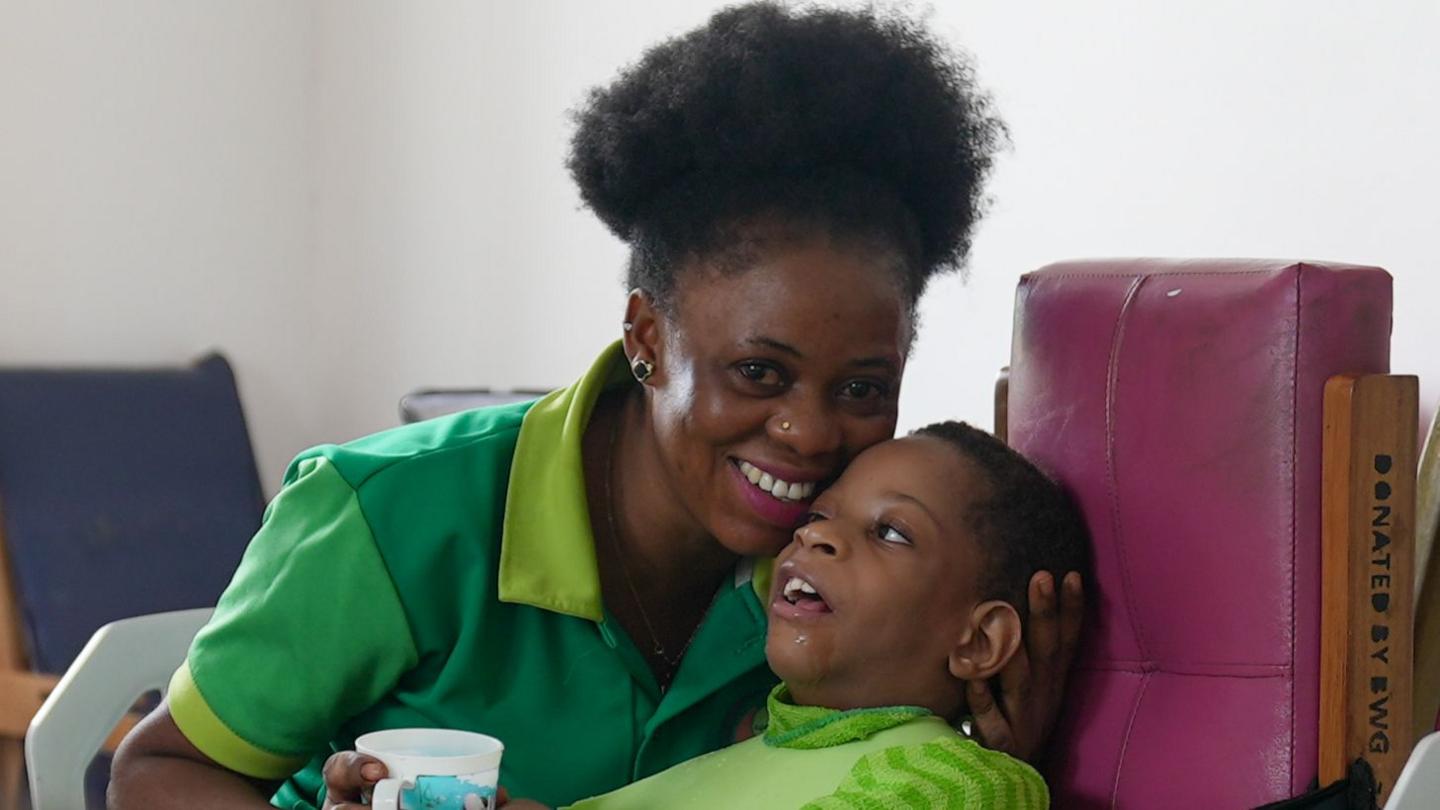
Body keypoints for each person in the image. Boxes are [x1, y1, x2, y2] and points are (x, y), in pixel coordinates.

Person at [109, 5, 1083, 809]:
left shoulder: (824, 578)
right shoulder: (395, 514)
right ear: (647, 339)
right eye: (758, 373)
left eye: (863, 387)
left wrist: (995, 744)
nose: (810, 433)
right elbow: (158, 769)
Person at [502, 422, 1088, 810]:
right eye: (817, 515)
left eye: (890, 532)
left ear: (981, 640)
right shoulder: (744, 755)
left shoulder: (961, 785)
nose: (819, 537)